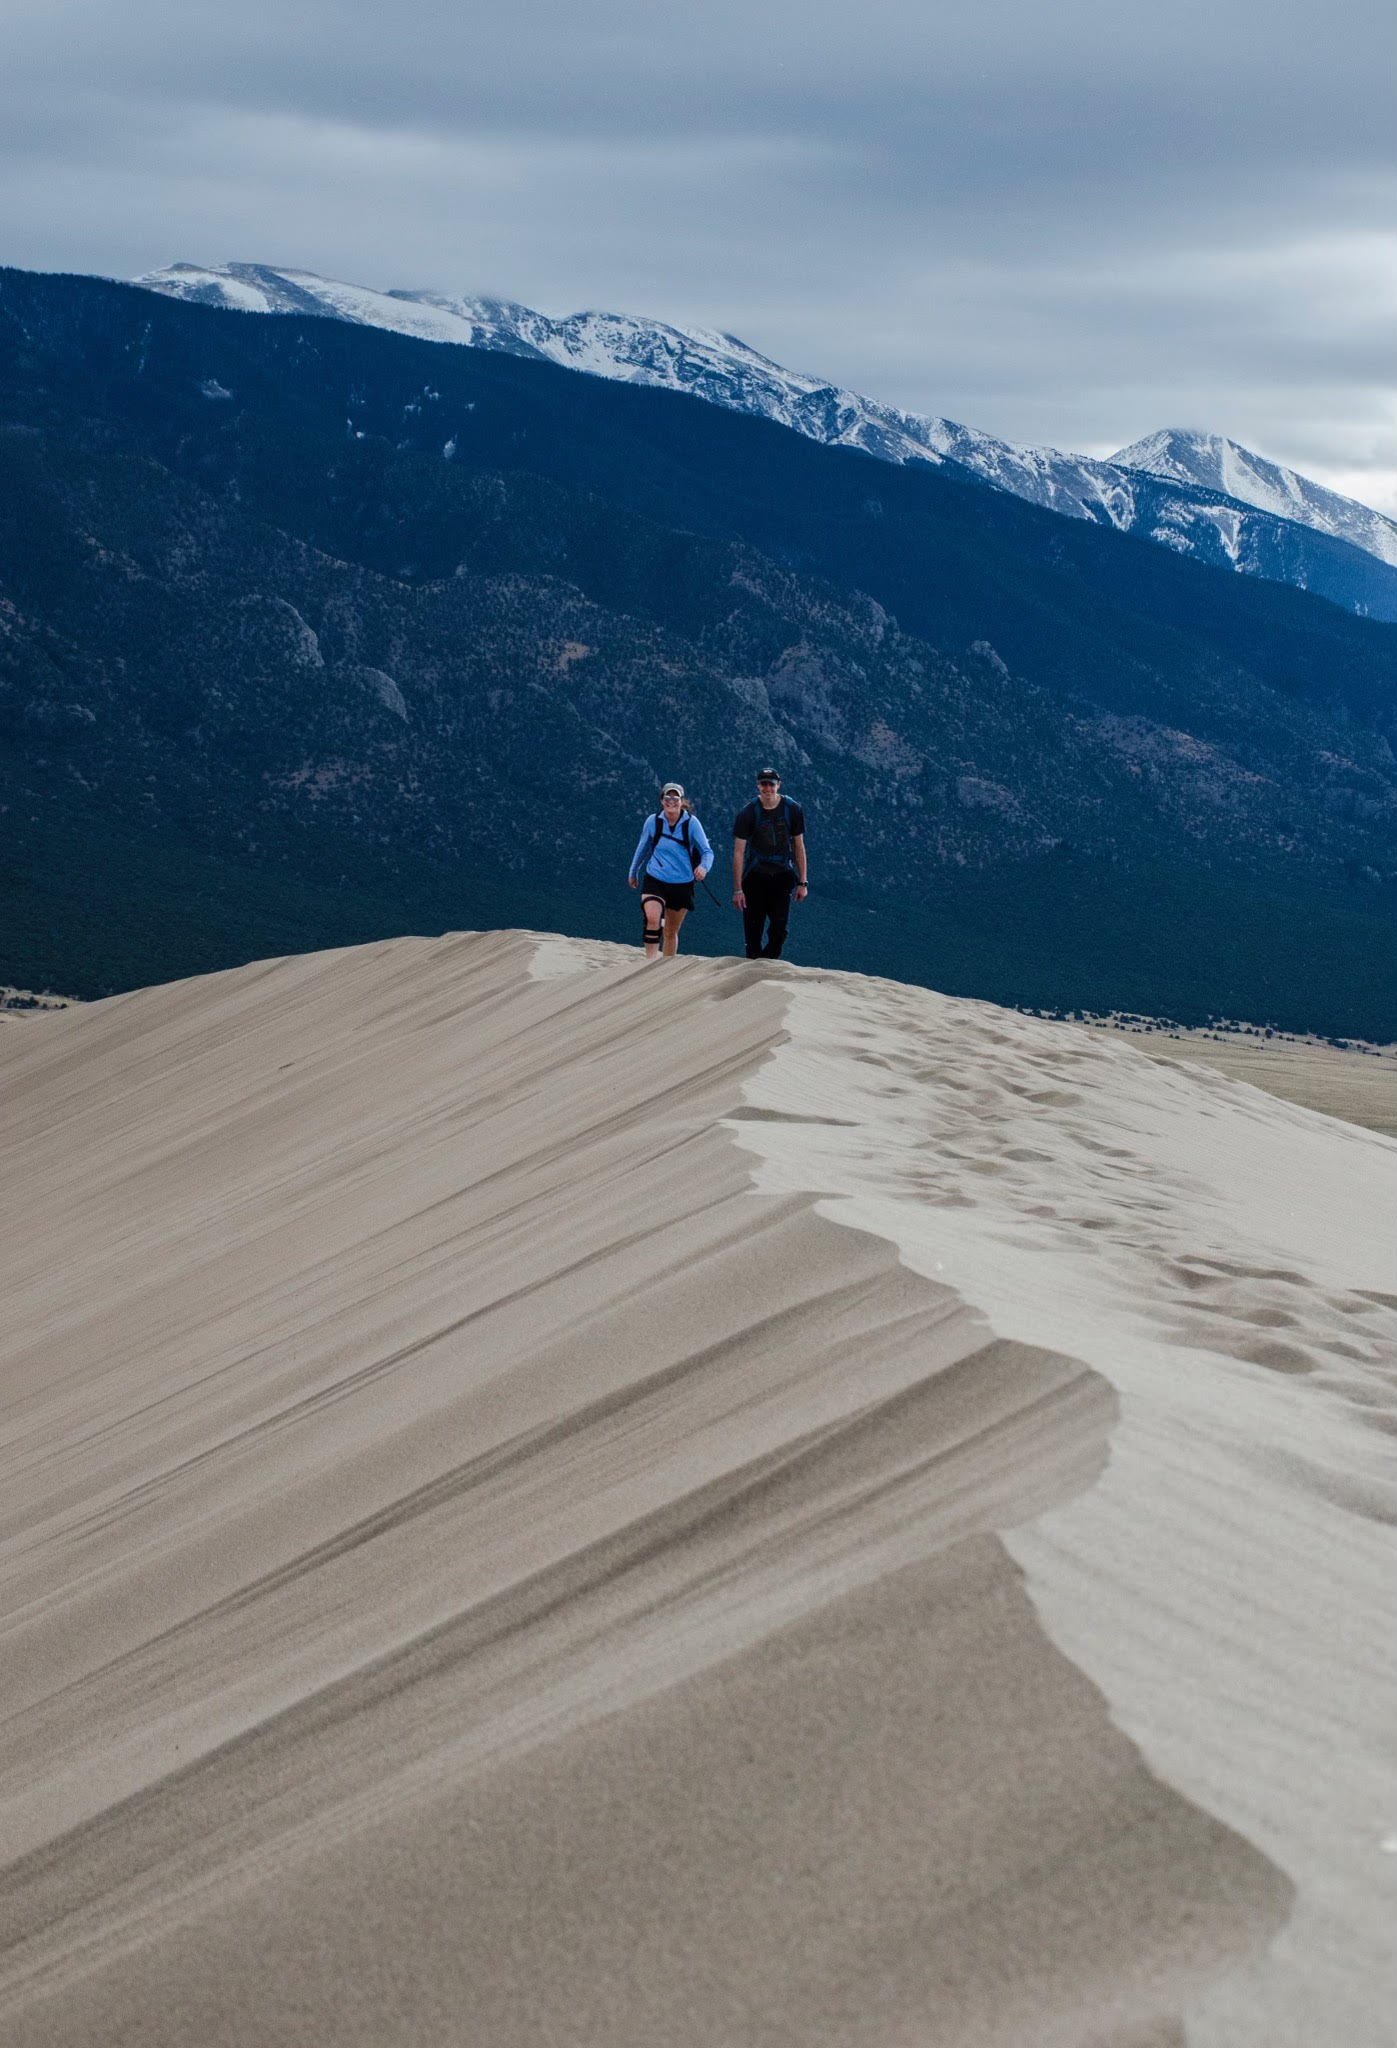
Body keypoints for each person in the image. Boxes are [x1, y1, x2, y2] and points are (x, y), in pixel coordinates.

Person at [628, 782, 715, 959]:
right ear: (662, 800)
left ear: (682, 801)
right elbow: (642, 848)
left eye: (676, 798)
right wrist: (633, 872)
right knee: (652, 919)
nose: (671, 801)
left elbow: (707, 851)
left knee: (670, 931)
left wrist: (704, 867)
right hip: (655, 878)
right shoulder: (653, 821)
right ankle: (650, 963)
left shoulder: (691, 823)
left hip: (682, 883)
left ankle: (665, 968)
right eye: (668, 797)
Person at [732, 768, 807, 959]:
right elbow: (739, 852)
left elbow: (799, 846)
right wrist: (738, 889)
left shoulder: (793, 809)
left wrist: (803, 882)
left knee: (779, 930)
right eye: (763, 783)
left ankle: (767, 967)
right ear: (758, 785)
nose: (767, 788)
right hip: (755, 877)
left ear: (778, 785)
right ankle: (753, 971)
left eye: (771, 784)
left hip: (782, 875)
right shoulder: (748, 813)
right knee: (753, 931)